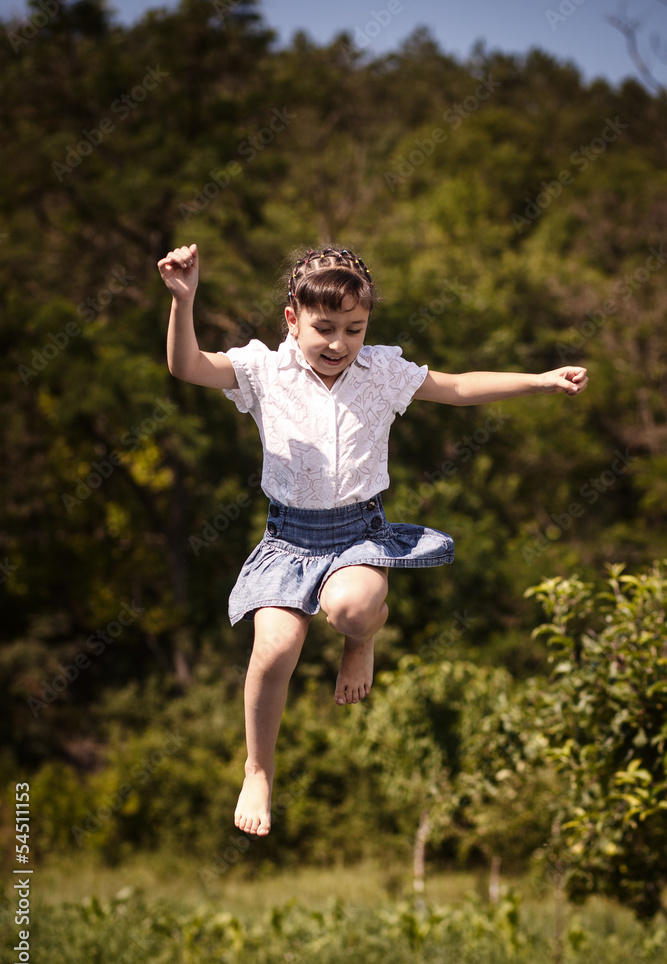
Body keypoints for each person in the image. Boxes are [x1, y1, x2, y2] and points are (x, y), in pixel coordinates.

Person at [157, 242, 589, 836]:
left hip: (358, 532)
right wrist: (184, 300)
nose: (338, 344)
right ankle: (259, 768)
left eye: (354, 329)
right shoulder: (264, 371)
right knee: (275, 651)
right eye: (324, 329)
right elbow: (188, 367)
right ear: (292, 319)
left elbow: (458, 387)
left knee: (353, 610)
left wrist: (539, 382)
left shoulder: (381, 372)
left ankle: (361, 641)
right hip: (289, 538)